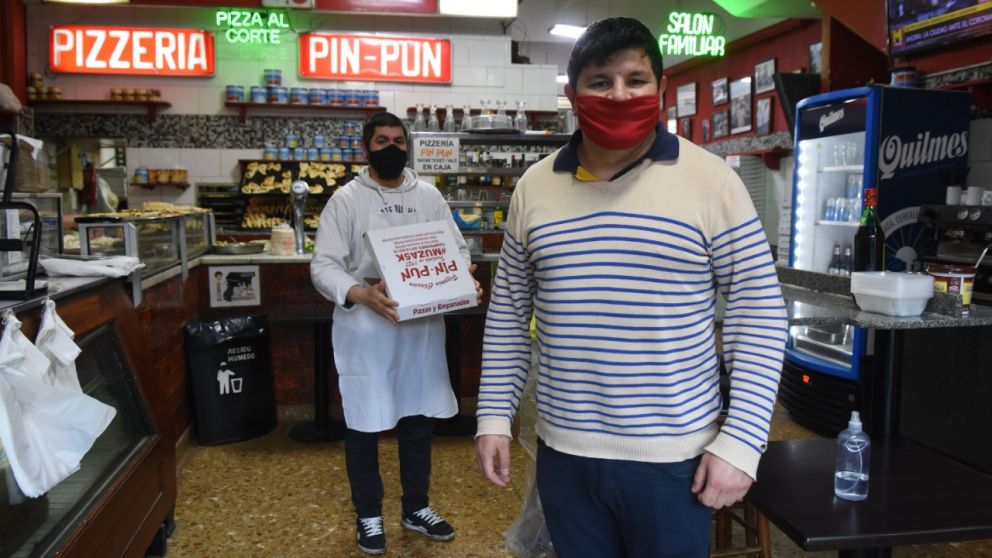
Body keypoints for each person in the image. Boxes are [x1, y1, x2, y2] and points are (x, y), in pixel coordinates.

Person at [474, 17, 788, 558]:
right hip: (564, 455)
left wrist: (742, 442)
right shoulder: (534, 187)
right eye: (601, 82)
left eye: (635, 79)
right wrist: (493, 416)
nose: (619, 94)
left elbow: (758, 312)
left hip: (674, 460)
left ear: (660, 88)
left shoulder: (713, 182)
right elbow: (507, 315)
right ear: (574, 95)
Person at [310, 112, 482, 555]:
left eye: (399, 141)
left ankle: (416, 507)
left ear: (409, 147)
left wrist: (462, 277)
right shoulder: (346, 200)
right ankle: (368, 514)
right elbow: (323, 265)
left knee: (418, 421)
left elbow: (457, 249)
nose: (392, 149)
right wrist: (361, 294)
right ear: (365, 148)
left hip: (420, 332)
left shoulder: (428, 195)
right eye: (382, 141)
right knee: (365, 423)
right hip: (367, 330)